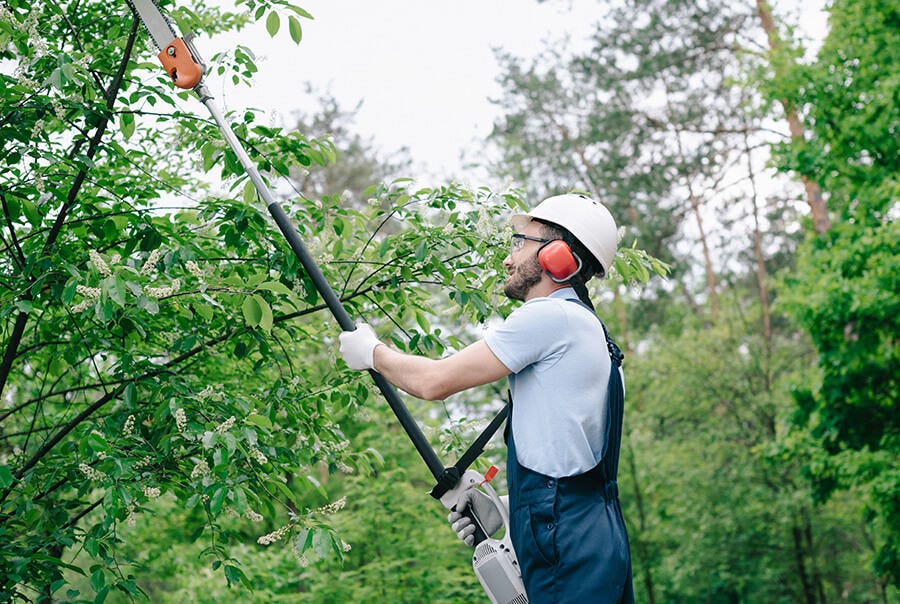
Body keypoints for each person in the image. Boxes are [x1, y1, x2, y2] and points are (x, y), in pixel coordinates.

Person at [338, 193, 634, 603]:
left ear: (558, 256)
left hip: (564, 545)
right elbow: (572, 463)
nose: (508, 259)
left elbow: (433, 382)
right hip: (595, 539)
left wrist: (371, 352)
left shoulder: (550, 317)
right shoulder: (595, 337)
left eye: (520, 242)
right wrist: (512, 507)